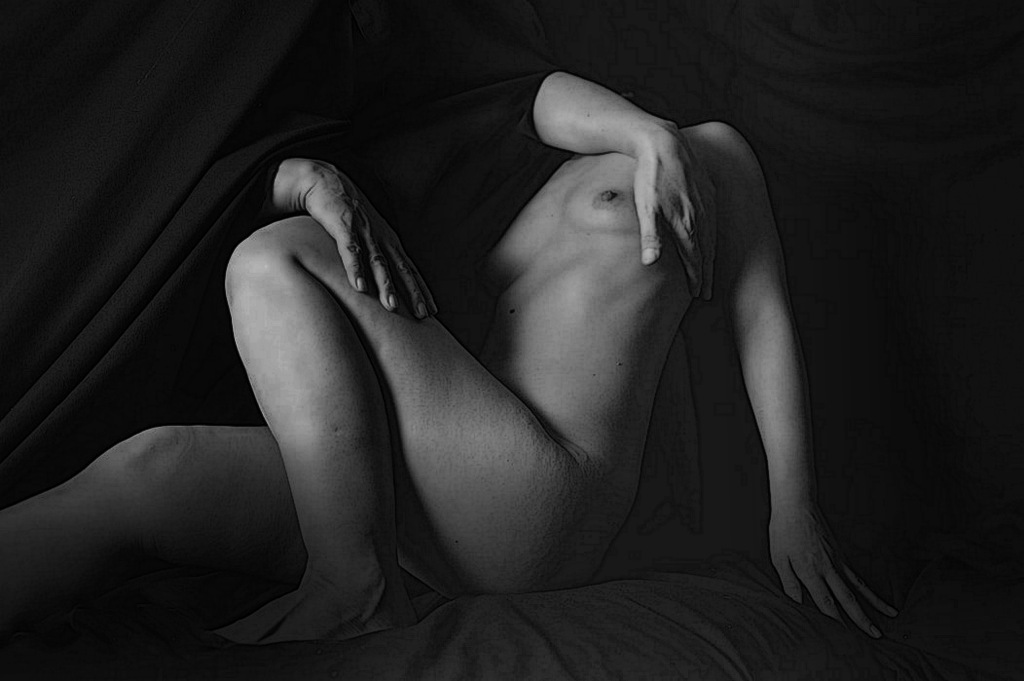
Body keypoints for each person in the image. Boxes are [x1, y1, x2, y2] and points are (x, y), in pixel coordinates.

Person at [0, 71, 896, 644]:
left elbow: (760, 316)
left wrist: (793, 507)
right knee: (149, 468)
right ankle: (356, 566)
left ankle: (353, 590)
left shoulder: (718, 158)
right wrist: (643, 130)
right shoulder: (518, 153)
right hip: (444, 481)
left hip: (543, 488)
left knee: (277, 257)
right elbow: (541, 96)